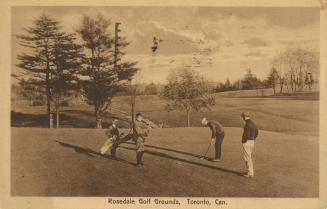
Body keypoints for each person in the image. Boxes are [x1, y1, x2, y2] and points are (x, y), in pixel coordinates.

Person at [241, 112, 259, 178]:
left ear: (245, 117)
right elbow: (257, 131)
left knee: (247, 158)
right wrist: (254, 138)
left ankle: (250, 173)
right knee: (249, 157)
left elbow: (247, 134)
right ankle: (249, 171)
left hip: (247, 142)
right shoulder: (253, 122)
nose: (242, 118)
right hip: (252, 142)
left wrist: (244, 141)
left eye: (242, 117)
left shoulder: (247, 124)